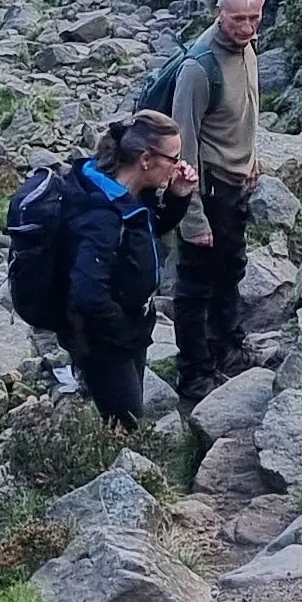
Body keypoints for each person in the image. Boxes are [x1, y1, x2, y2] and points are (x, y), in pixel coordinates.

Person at [168, 0, 269, 406]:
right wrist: (192, 218)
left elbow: (246, 111)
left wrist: (251, 160)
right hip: (207, 189)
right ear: (218, 13)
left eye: (254, 17)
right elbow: (183, 144)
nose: (247, 27)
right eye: (237, 19)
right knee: (195, 285)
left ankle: (227, 345)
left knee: (231, 268)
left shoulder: (248, 47)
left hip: (235, 183)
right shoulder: (198, 68)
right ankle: (194, 373)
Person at [62, 108, 189, 430]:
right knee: (127, 422)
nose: (179, 165)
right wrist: (123, 331)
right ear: (146, 159)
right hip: (105, 339)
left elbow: (145, 232)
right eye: (174, 158)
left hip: (132, 325)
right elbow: (87, 294)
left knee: (125, 411)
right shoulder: (100, 215)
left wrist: (177, 197)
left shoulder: (132, 195)